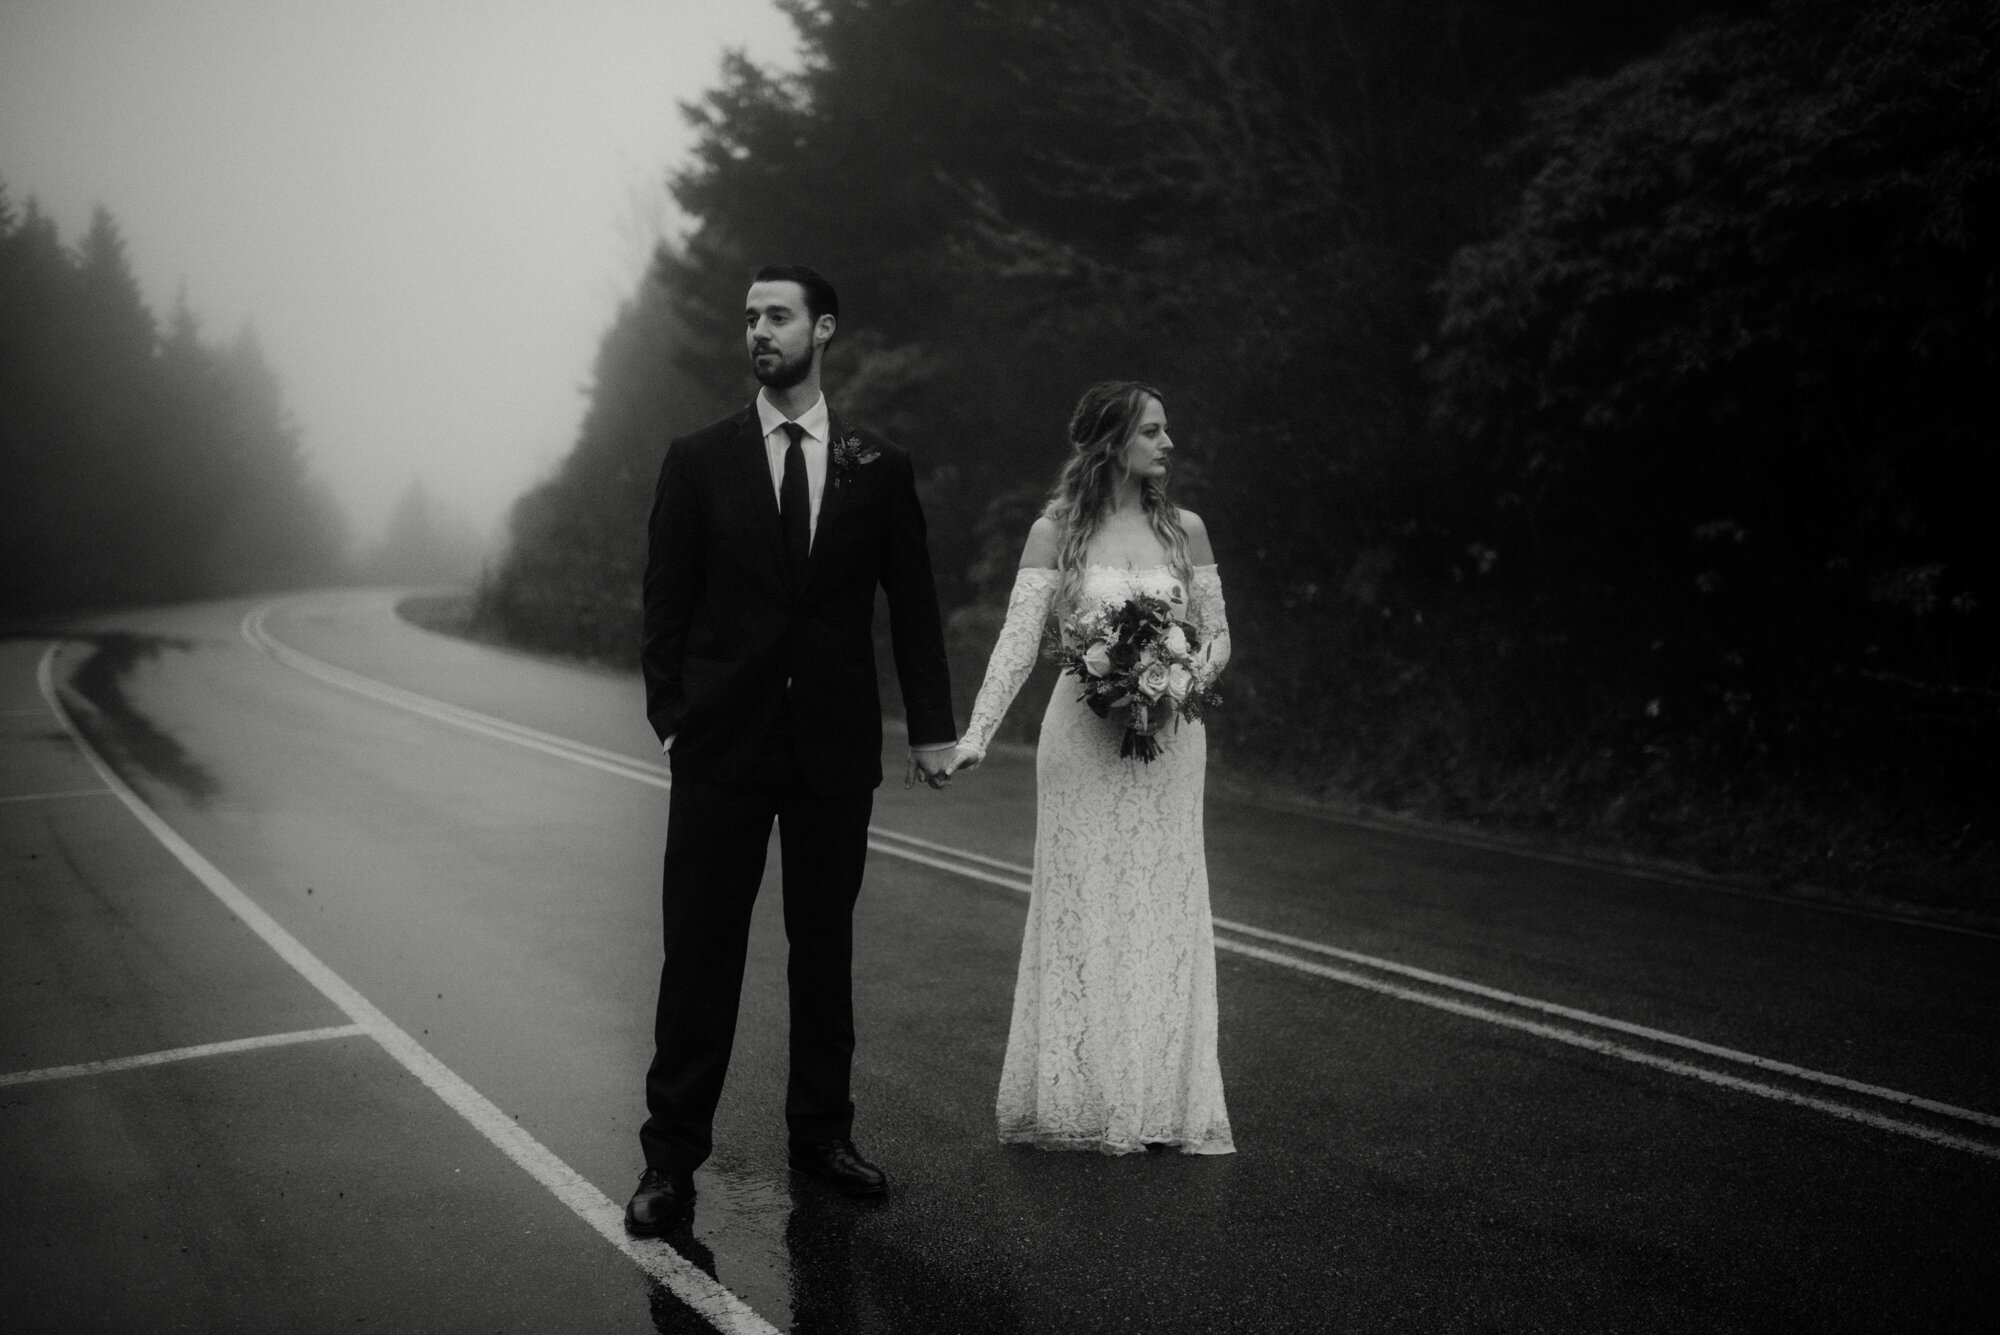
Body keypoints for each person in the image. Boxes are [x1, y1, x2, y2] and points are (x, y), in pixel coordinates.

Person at [625, 265, 959, 1234]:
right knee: (699, 958)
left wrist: (932, 728)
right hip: (720, 750)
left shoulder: (876, 467)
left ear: (823, 329)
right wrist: (673, 715)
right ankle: (668, 1162)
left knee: (823, 953)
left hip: (829, 753)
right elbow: (664, 601)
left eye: (775, 317)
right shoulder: (697, 459)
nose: (756, 332)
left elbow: (915, 605)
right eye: (748, 318)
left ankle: (820, 1137)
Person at [948, 381, 1235, 1155]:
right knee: (1087, 907)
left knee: (1162, 909)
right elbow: (1016, 643)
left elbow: (1218, 638)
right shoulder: (1056, 534)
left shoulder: (1187, 531)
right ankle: (1086, 1097)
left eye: (1167, 429)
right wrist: (977, 732)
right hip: (1080, 741)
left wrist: (1179, 680)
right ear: (1112, 442)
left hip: (1173, 744)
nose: (1168, 444)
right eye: (1153, 430)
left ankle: (1160, 1102)